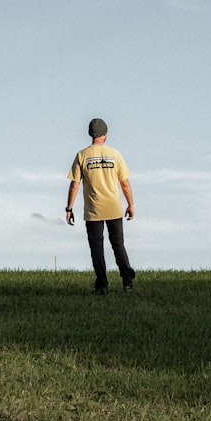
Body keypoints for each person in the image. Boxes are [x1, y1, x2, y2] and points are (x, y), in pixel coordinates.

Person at [66, 118, 136, 295]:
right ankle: (127, 281)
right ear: (105, 134)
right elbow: (125, 183)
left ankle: (102, 285)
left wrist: (69, 208)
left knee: (96, 248)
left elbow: (74, 184)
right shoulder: (115, 154)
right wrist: (131, 204)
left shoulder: (82, 155)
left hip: (93, 210)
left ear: (91, 134)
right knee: (118, 244)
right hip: (114, 208)